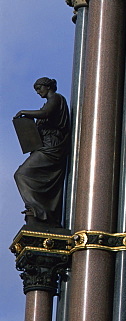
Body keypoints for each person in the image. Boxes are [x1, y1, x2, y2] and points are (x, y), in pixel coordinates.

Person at [13, 78, 71, 227]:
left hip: (52, 147)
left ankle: (37, 209)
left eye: (39, 89)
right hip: (44, 146)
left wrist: (25, 112)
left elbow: (45, 113)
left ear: (48, 86)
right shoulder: (49, 102)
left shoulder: (56, 98)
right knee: (24, 175)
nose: (38, 92)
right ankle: (39, 210)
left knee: (22, 174)